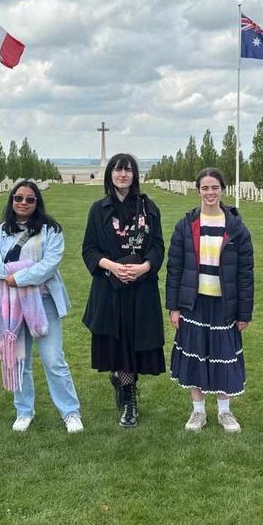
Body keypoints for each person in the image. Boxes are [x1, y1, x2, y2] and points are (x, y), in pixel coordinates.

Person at [0, 180, 82, 433]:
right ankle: (24, 410)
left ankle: (70, 412)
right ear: (11, 200)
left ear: (37, 202)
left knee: (53, 359)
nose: (23, 203)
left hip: (43, 302)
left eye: (30, 199)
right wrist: (20, 274)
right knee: (19, 359)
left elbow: (49, 266)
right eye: (19, 198)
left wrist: (17, 277)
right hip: (11, 305)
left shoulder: (51, 230)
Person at [166, 168, 254, 433]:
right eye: (205, 188)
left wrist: (244, 313)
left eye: (215, 187)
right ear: (198, 191)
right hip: (194, 303)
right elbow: (174, 268)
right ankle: (198, 412)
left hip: (224, 305)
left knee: (223, 356)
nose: (210, 192)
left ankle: (225, 412)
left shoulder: (236, 228)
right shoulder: (185, 225)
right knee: (196, 356)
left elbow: (245, 273)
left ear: (222, 190)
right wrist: (174, 307)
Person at [81, 153, 165, 427]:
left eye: (128, 170)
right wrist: (113, 267)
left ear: (134, 175)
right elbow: (89, 249)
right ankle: (128, 399)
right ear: (110, 175)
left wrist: (144, 267)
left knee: (135, 341)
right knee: (119, 344)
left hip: (141, 288)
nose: (123, 175)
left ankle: (125, 386)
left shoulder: (148, 207)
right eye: (118, 170)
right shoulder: (98, 209)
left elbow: (158, 246)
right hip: (110, 288)